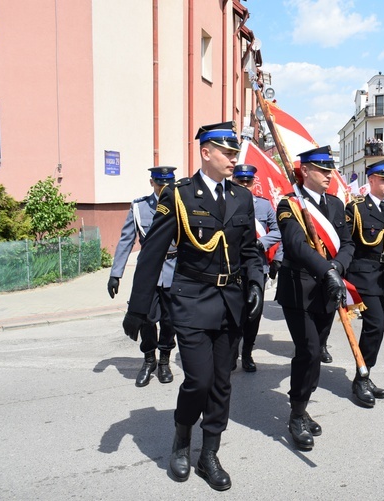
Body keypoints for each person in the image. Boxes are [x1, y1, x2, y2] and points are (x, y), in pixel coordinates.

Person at [122, 122, 264, 492]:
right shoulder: (180, 195)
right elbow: (152, 252)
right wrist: (138, 308)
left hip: (230, 302)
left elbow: (249, 250)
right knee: (198, 381)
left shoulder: (241, 197)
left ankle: (209, 454)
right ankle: (182, 440)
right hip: (191, 300)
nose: (234, 159)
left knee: (221, 384)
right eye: (227, 153)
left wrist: (256, 284)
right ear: (206, 152)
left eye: (236, 153)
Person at [275, 145, 354, 450]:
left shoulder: (335, 205)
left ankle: (303, 405)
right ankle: (295, 415)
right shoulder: (289, 204)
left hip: (328, 290)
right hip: (300, 290)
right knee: (307, 350)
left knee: (317, 351)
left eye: (330, 169)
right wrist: (326, 270)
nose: (328, 175)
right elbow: (296, 246)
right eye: (322, 170)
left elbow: (347, 244)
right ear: (305, 170)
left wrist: (336, 266)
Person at [344, 159, 384, 408]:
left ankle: (365, 372)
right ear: (370, 180)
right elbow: (347, 243)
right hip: (362, 276)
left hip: (383, 277)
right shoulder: (356, 208)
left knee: (377, 328)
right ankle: (361, 377)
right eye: (383, 180)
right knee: (376, 326)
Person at [107, 166, 177, 387]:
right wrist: (115, 273)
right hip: (148, 273)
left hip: (175, 269)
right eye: (160, 183)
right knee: (146, 318)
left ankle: (164, 361)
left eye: (169, 183)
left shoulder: (181, 205)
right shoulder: (139, 207)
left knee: (170, 320)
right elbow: (127, 239)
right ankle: (149, 360)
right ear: (151, 183)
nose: (164, 187)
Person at [230, 163, 282, 373]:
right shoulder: (225, 203)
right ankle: (232, 352)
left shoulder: (264, 206)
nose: (244, 184)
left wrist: (263, 243)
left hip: (256, 266)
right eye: (239, 181)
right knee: (232, 312)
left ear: (253, 183)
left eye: (247, 181)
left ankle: (248, 353)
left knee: (254, 312)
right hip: (232, 267)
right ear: (232, 180)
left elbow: (279, 229)